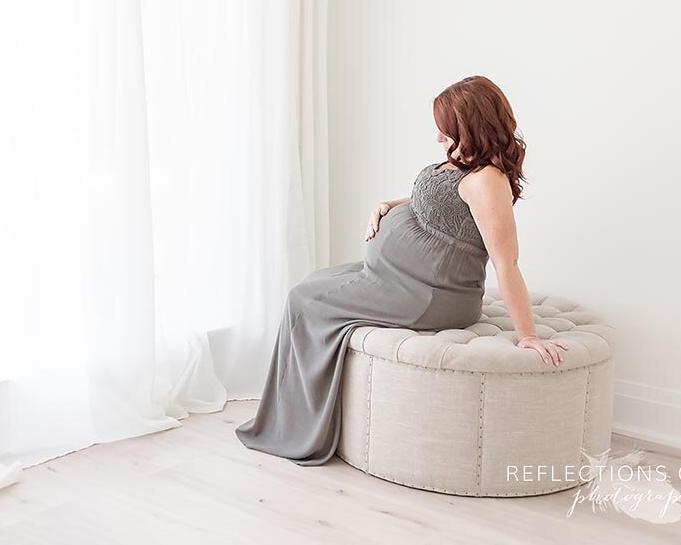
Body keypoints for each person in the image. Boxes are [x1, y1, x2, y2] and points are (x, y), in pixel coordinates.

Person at [235, 75, 568, 466]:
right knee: (311, 285)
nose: (438, 140)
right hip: (400, 279)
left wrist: (527, 335)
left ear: (474, 129)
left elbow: (505, 261)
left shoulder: (488, 181)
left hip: (429, 297)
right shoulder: (464, 165)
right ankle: (289, 416)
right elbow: (441, 204)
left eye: (447, 133)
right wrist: (390, 204)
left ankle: (299, 426)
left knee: (304, 301)